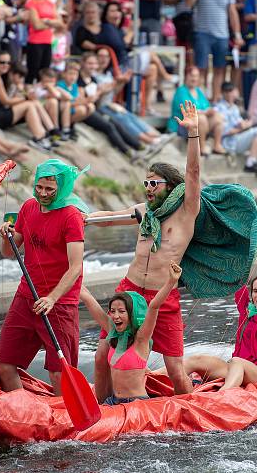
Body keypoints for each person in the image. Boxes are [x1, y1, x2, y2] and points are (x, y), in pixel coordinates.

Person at [86, 101, 202, 399]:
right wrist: (81, 218)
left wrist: (193, 135)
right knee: (102, 356)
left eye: (154, 183)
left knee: (175, 366)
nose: (148, 188)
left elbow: (193, 174)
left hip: (162, 296)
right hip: (130, 290)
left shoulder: (187, 211)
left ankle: (190, 410)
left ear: (169, 186)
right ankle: (103, 410)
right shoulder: (143, 211)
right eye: (146, 183)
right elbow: (109, 221)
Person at [0, 159, 88, 394]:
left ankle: (63, 423)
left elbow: (76, 267)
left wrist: (52, 298)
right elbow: (8, 252)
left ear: (62, 188)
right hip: (26, 296)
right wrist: (6, 236)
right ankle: (24, 414)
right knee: (3, 365)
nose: (43, 194)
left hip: (59, 303)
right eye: (39, 187)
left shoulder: (71, 216)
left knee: (59, 374)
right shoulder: (28, 207)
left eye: (49, 189)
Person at [80, 262, 182, 405]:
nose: (115, 316)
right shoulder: (113, 333)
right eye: (112, 311)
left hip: (137, 403)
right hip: (113, 401)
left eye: (121, 311)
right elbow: (88, 299)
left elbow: (154, 306)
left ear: (132, 314)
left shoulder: (141, 339)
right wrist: (70, 273)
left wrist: (171, 281)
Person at [186, 0, 243, 103]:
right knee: (201, 67)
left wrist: (236, 33)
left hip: (222, 34)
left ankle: (216, 98)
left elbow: (232, 12)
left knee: (220, 68)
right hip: (202, 32)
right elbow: (188, 4)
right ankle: (200, 97)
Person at [0, 50, 53, 151]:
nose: (6, 65)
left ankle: (45, 133)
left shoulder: (0, 77)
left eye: (8, 63)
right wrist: (25, 98)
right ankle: (40, 137)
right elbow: (5, 101)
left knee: (31, 103)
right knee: (29, 105)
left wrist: (24, 94)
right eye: (2, 62)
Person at [215, 82, 257, 173]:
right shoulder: (219, 108)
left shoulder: (234, 107)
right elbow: (224, 131)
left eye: (231, 91)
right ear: (223, 93)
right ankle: (250, 163)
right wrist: (242, 128)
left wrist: (245, 124)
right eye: (227, 91)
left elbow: (239, 123)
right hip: (229, 143)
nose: (230, 94)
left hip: (237, 138)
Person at [168, 66, 221, 155]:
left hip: (200, 125)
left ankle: (217, 145)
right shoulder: (181, 91)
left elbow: (207, 106)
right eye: (192, 76)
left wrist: (210, 111)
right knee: (200, 118)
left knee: (217, 117)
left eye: (196, 76)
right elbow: (188, 112)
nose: (194, 78)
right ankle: (201, 148)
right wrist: (205, 112)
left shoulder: (198, 91)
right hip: (182, 125)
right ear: (186, 76)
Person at [24, 0, 62, 84]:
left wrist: (46, 21)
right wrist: (51, 23)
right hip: (35, 41)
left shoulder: (50, 3)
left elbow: (60, 23)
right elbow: (36, 25)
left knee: (45, 72)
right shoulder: (31, 3)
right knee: (33, 71)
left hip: (47, 41)